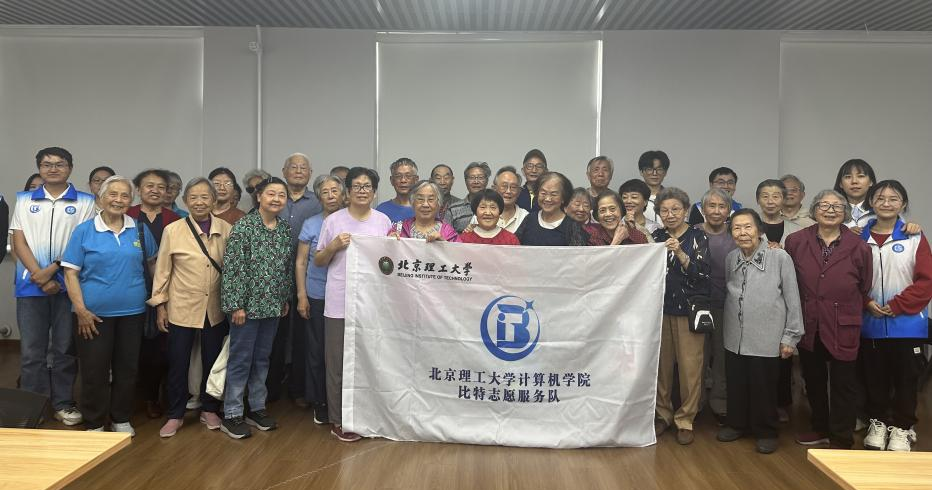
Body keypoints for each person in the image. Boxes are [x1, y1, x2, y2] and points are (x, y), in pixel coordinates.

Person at [61, 175, 158, 435]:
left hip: (133, 313)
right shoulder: (84, 230)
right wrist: (81, 310)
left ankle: (121, 418)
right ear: (101, 198)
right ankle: (94, 422)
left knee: (127, 368)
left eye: (125, 195)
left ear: (131, 200)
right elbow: (70, 273)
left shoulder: (139, 229)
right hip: (92, 315)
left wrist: (160, 298)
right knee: (95, 370)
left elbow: (153, 265)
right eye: (112, 194)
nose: (118, 200)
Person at [11, 147, 96, 427]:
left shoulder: (86, 202)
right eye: (47, 164)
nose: (53, 169)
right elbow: (19, 241)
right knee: (31, 351)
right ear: (39, 168)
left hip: (68, 286)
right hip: (30, 285)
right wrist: (39, 275)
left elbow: (82, 242)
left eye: (60, 164)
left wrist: (52, 273)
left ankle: (62, 403)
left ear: (70, 168)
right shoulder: (24, 200)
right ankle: (32, 407)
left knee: (64, 349)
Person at [784, 189, 873, 449]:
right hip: (809, 320)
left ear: (845, 213)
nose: (830, 210)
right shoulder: (796, 241)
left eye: (837, 206)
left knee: (844, 383)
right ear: (814, 210)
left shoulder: (859, 246)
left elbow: (864, 284)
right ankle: (820, 427)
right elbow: (789, 279)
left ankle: (842, 437)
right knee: (813, 379)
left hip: (843, 322)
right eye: (824, 205)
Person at [147, 177, 232, 438]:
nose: (199, 202)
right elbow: (162, 270)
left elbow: (232, 269)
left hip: (214, 307)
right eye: (193, 197)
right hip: (181, 306)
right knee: (178, 362)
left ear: (213, 201)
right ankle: (175, 414)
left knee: (211, 360)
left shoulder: (226, 229)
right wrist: (160, 306)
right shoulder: (173, 230)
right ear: (185, 201)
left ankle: (209, 408)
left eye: (205, 197)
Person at [717, 209, 804, 454]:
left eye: (748, 227)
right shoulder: (731, 258)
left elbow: (793, 298)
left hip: (767, 336)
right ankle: (737, 424)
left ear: (759, 230)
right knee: (737, 383)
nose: (742, 232)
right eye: (736, 228)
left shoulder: (780, 257)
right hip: (735, 335)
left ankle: (766, 431)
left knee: (763, 386)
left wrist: (791, 336)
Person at [315, 167, 392, 442]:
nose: (362, 190)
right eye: (356, 186)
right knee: (336, 363)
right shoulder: (333, 221)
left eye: (367, 186)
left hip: (372, 302)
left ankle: (366, 415)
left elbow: (388, 263)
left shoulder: (383, 221)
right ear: (347, 192)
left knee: (369, 361)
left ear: (374, 192)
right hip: (339, 301)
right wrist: (333, 246)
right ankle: (339, 419)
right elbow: (319, 260)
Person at [858, 180, 932, 452]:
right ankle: (878, 423)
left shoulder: (914, 237)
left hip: (908, 324)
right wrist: (866, 302)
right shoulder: (858, 239)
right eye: (880, 198)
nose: (886, 203)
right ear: (871, 202)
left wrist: (899, 304)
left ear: (903, 203)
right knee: (874, 378)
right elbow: (850, 279)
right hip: (870, 323)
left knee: (906, 379)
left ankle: (903, 427)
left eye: (893, 198)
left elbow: (926, 280)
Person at [220, 177, 294, 439]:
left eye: (281, 195)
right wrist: (236, 305)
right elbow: (233, 268)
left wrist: (284, 298)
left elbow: (286, 268)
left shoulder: (284, 229)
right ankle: (232, 412)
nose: (276, 199)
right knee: (241, 359)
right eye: (271, 194)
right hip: (246, 309)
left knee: (262, 359)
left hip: (273, 307)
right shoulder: (244, 227)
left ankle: (256, 408)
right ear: (259, 196)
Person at [651, 187, 711, 446]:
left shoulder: (698, 236)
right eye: (664, 210)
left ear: (686, 210)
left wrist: (680, 253)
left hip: (688, 311)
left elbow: (702, 274)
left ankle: (686, 419)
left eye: (675, 209)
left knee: (690, 369)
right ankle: (662, 415)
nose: (670, 214)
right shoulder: (656, 237)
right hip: (659, 311)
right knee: (661, 369)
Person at [126, 168, 181, 419]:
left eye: (161, 186)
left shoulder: (175, 219)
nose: (155, 190)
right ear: (139, 189)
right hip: (131, 288)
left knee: (159, 348)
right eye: (149, 185)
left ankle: (153, 397)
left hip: (167, 290)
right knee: (131, 346)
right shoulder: (127, 215)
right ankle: (130, 397)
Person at [272, 153, 323, 407]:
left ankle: (298, 388)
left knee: (303, 335)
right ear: (284, 171)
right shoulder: (274, 197)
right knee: (275, 333)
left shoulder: (317, 203)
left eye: (304, 167)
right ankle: (271, 389)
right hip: (274, 277)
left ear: (310, 173)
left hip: (307, 277)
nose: (299, 171)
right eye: (294, 167)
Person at [295, 174, 345, 425]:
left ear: (343, 194)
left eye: (335, 191)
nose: (331, 196)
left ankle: (341, 401)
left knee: (341, 352)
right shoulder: (311, 223)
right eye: (325, 192)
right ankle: (320, 401)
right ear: (318, 197)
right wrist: (301, 295)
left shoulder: (349, 220)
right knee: (317, 350)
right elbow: (301, 262)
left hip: (346, 295)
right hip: (317, 294)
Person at [695, 188, 738, 424]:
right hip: (696, 304)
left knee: (722, 356)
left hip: (726, 305)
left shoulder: (736, 235)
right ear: (702, 209)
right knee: (697, 357)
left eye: (722, 206)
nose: (716, 211)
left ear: (729, 210)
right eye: (711, 206)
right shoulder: (692, 233)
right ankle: (695, 403)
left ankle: (720, 403)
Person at [514, 172, 589, 246]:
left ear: (563, 197)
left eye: (554, 194)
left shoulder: (572, 227)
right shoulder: (529, 219)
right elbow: (514, 247)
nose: (548, 199)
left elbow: (579, 253)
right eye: (543, 193)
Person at [388, 181, 459, 242]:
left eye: (431, 199)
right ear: (412, 203)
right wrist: (390, 242)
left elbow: (459, 252)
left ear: (439, 204)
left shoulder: (448, 232)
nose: (425, 204)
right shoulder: (399, 229)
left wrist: (443, 243)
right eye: (420, 199)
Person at [470, 166, 528, 233]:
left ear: (519, 191)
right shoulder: (481, 215)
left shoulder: (525, 217)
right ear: (494, 189)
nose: (508, 191)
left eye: (513, 187)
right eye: (504, 186)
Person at [444, 162, 491, 233]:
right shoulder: (452, 209)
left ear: (487, 181)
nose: (476, 181)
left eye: (480, 177)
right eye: (472, 178)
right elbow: (446, 236)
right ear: (466, 181)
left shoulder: (494, 208)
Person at [757, 179, 803, 249]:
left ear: (784, 200)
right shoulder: (747, 227)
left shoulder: (797, 230)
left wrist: (782, 252)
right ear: (758, 200)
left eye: (775, 197)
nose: (770, 201)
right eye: (765, 196)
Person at [376, 157, 418, 224]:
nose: (403, 180)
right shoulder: (382, 210)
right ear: (392, 180)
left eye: (408, 176)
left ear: (416, 180)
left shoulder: (424, 209)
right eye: (398, 176)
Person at [637, 150, 670, 223]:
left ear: (665, 172)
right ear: (641, 172)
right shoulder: (633, 199)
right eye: (649, 169)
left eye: (659, 169)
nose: (655, 173)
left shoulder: (673, 197)